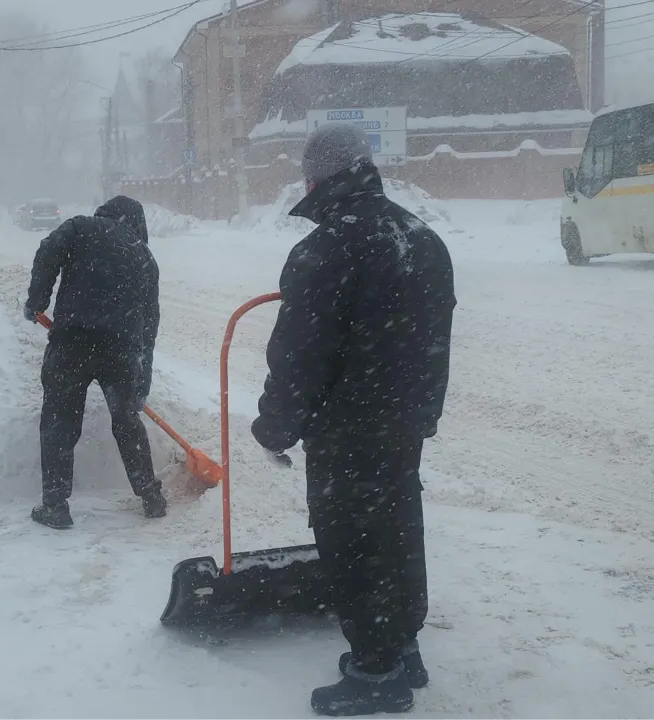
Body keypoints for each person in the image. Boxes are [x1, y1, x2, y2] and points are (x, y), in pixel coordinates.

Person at [250, 123, 455, 717]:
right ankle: (402, 646)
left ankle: (374, 672)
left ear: (316, 179)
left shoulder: (327, 247)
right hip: (402, 424)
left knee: (354, 544)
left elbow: (298, 354)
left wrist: (276, 426)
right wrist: (422, 412)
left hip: (346, 429)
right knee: (399, 530)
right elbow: (435, 341)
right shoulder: (421, 238)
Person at [22, 195, 165, 530]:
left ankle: (56, 505)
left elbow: (47, 251)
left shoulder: (81, 227)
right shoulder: (144, 255)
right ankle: (151, 497)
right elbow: (150, 324)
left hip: (73, 343)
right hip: (121, 352)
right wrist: (141, 384)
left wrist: (37, 300)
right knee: (127, 422)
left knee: (60, 421)